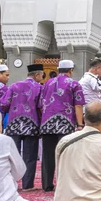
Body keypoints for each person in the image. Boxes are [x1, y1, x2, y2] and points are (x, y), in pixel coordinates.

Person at [39, 60, 86, 192]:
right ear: (71, 70)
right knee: (65, 154)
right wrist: (80, 124)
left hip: (47, 123)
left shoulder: (47, 83)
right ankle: (64, 184)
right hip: (65, 123)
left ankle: (47, 185)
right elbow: (78, 105)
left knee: (47, 155)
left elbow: (42, 104)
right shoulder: (74, 84)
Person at [0, 64, 44, 191]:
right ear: (36, 75)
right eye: (41, 75)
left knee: (12, 155)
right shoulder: (39, 87)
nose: (42, 78)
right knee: (30, 156)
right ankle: (27, 185)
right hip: (31, 125)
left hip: (14, 125)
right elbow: (41, 106)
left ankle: (10, 185)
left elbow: (4, 104)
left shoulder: (14, 86)